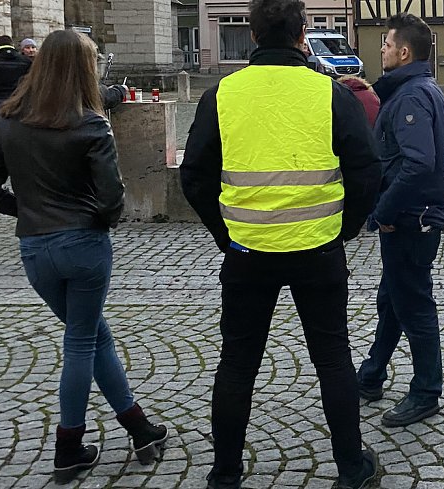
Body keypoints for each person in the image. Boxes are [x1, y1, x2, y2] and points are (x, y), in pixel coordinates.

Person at [179, 0, 381, 486]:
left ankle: (225, 474)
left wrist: (226, 233)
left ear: (252, 34)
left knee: (237, 363)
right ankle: (351, 468)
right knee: (332, 359)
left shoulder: (222, 94)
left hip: (248, 252)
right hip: (318, 249)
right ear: (302, 34)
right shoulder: (330, 93)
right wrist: (346, 228)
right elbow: (368, 169)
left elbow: (194, 176)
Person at [0, 29, 168, 485]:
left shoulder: (9, 119)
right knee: (82, 340)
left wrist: (30, 211)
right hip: (82, 243)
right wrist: (94, 218)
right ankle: (68, 446)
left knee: (94, 334)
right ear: (84, 69)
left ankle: (139, 428)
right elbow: (111, 197)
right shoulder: (89, 123)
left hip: (35, 248)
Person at [356, 13, 444, 428]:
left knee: (414, 305)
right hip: (410, 216)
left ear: (405, 52)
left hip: (411, 220)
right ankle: (372, 375)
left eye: (387, 44)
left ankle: (426, 392)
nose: (382, 49)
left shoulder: (412, 96)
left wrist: (384, 212)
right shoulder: (417, 89)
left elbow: (418, 164)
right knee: (392, 300)